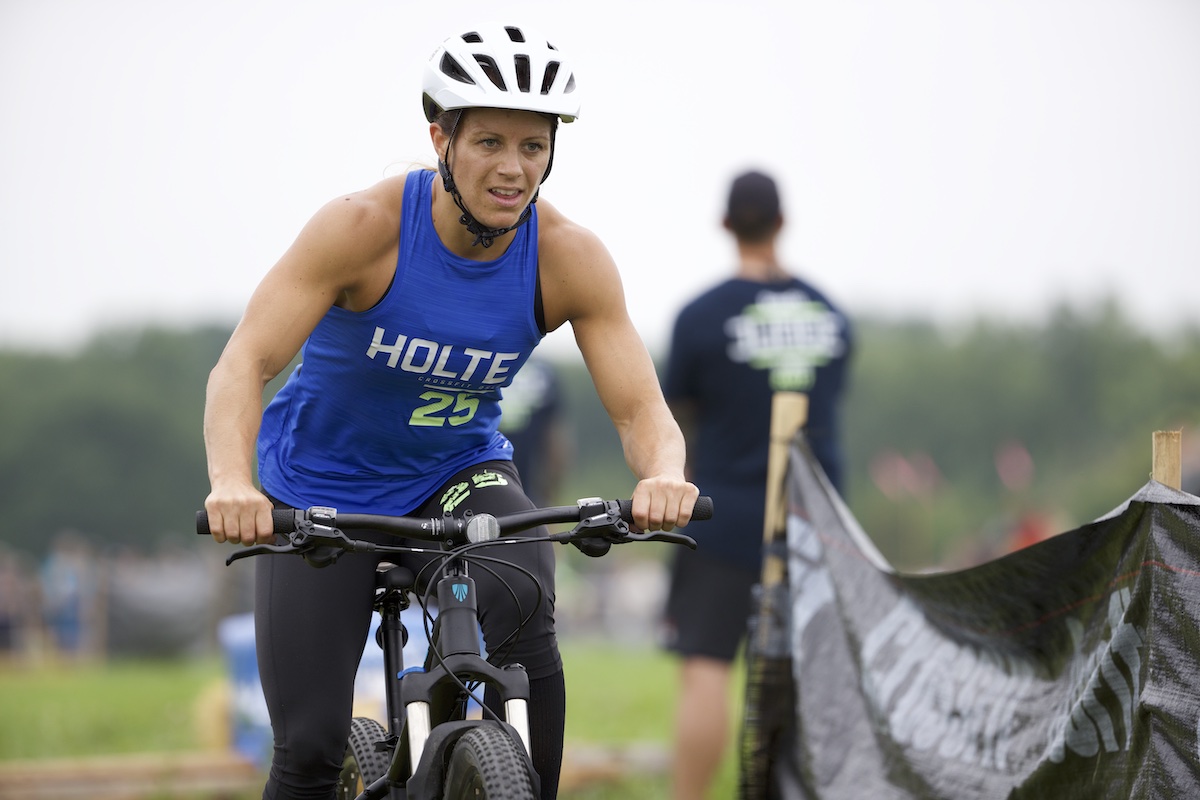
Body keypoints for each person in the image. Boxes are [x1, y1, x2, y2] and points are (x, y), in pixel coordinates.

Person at [202, 24, 700, 800]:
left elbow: (641, 410)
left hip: (456, 471)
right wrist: (232, 481)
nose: (513, 168)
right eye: (490, 142)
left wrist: (665, 473)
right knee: (308, 748)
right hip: (316, 485)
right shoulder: (363, 230)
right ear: (441, 137)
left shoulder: (568, 256)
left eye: (533, 147)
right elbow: (245, 365)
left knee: (526, 587)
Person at [660, 170, 853, 799]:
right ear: (781, 222)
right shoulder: (830, 316)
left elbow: (675, 420)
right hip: (815, 517)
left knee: (707, 669)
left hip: (722, 513)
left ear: (726, 224)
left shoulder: (700, 317)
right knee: (808, 677)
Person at [498, 357, 571, 506]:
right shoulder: (542, 374)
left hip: (467, 487)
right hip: (526, 495)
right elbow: (555, 445)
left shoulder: (474, 366)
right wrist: (549, 498)